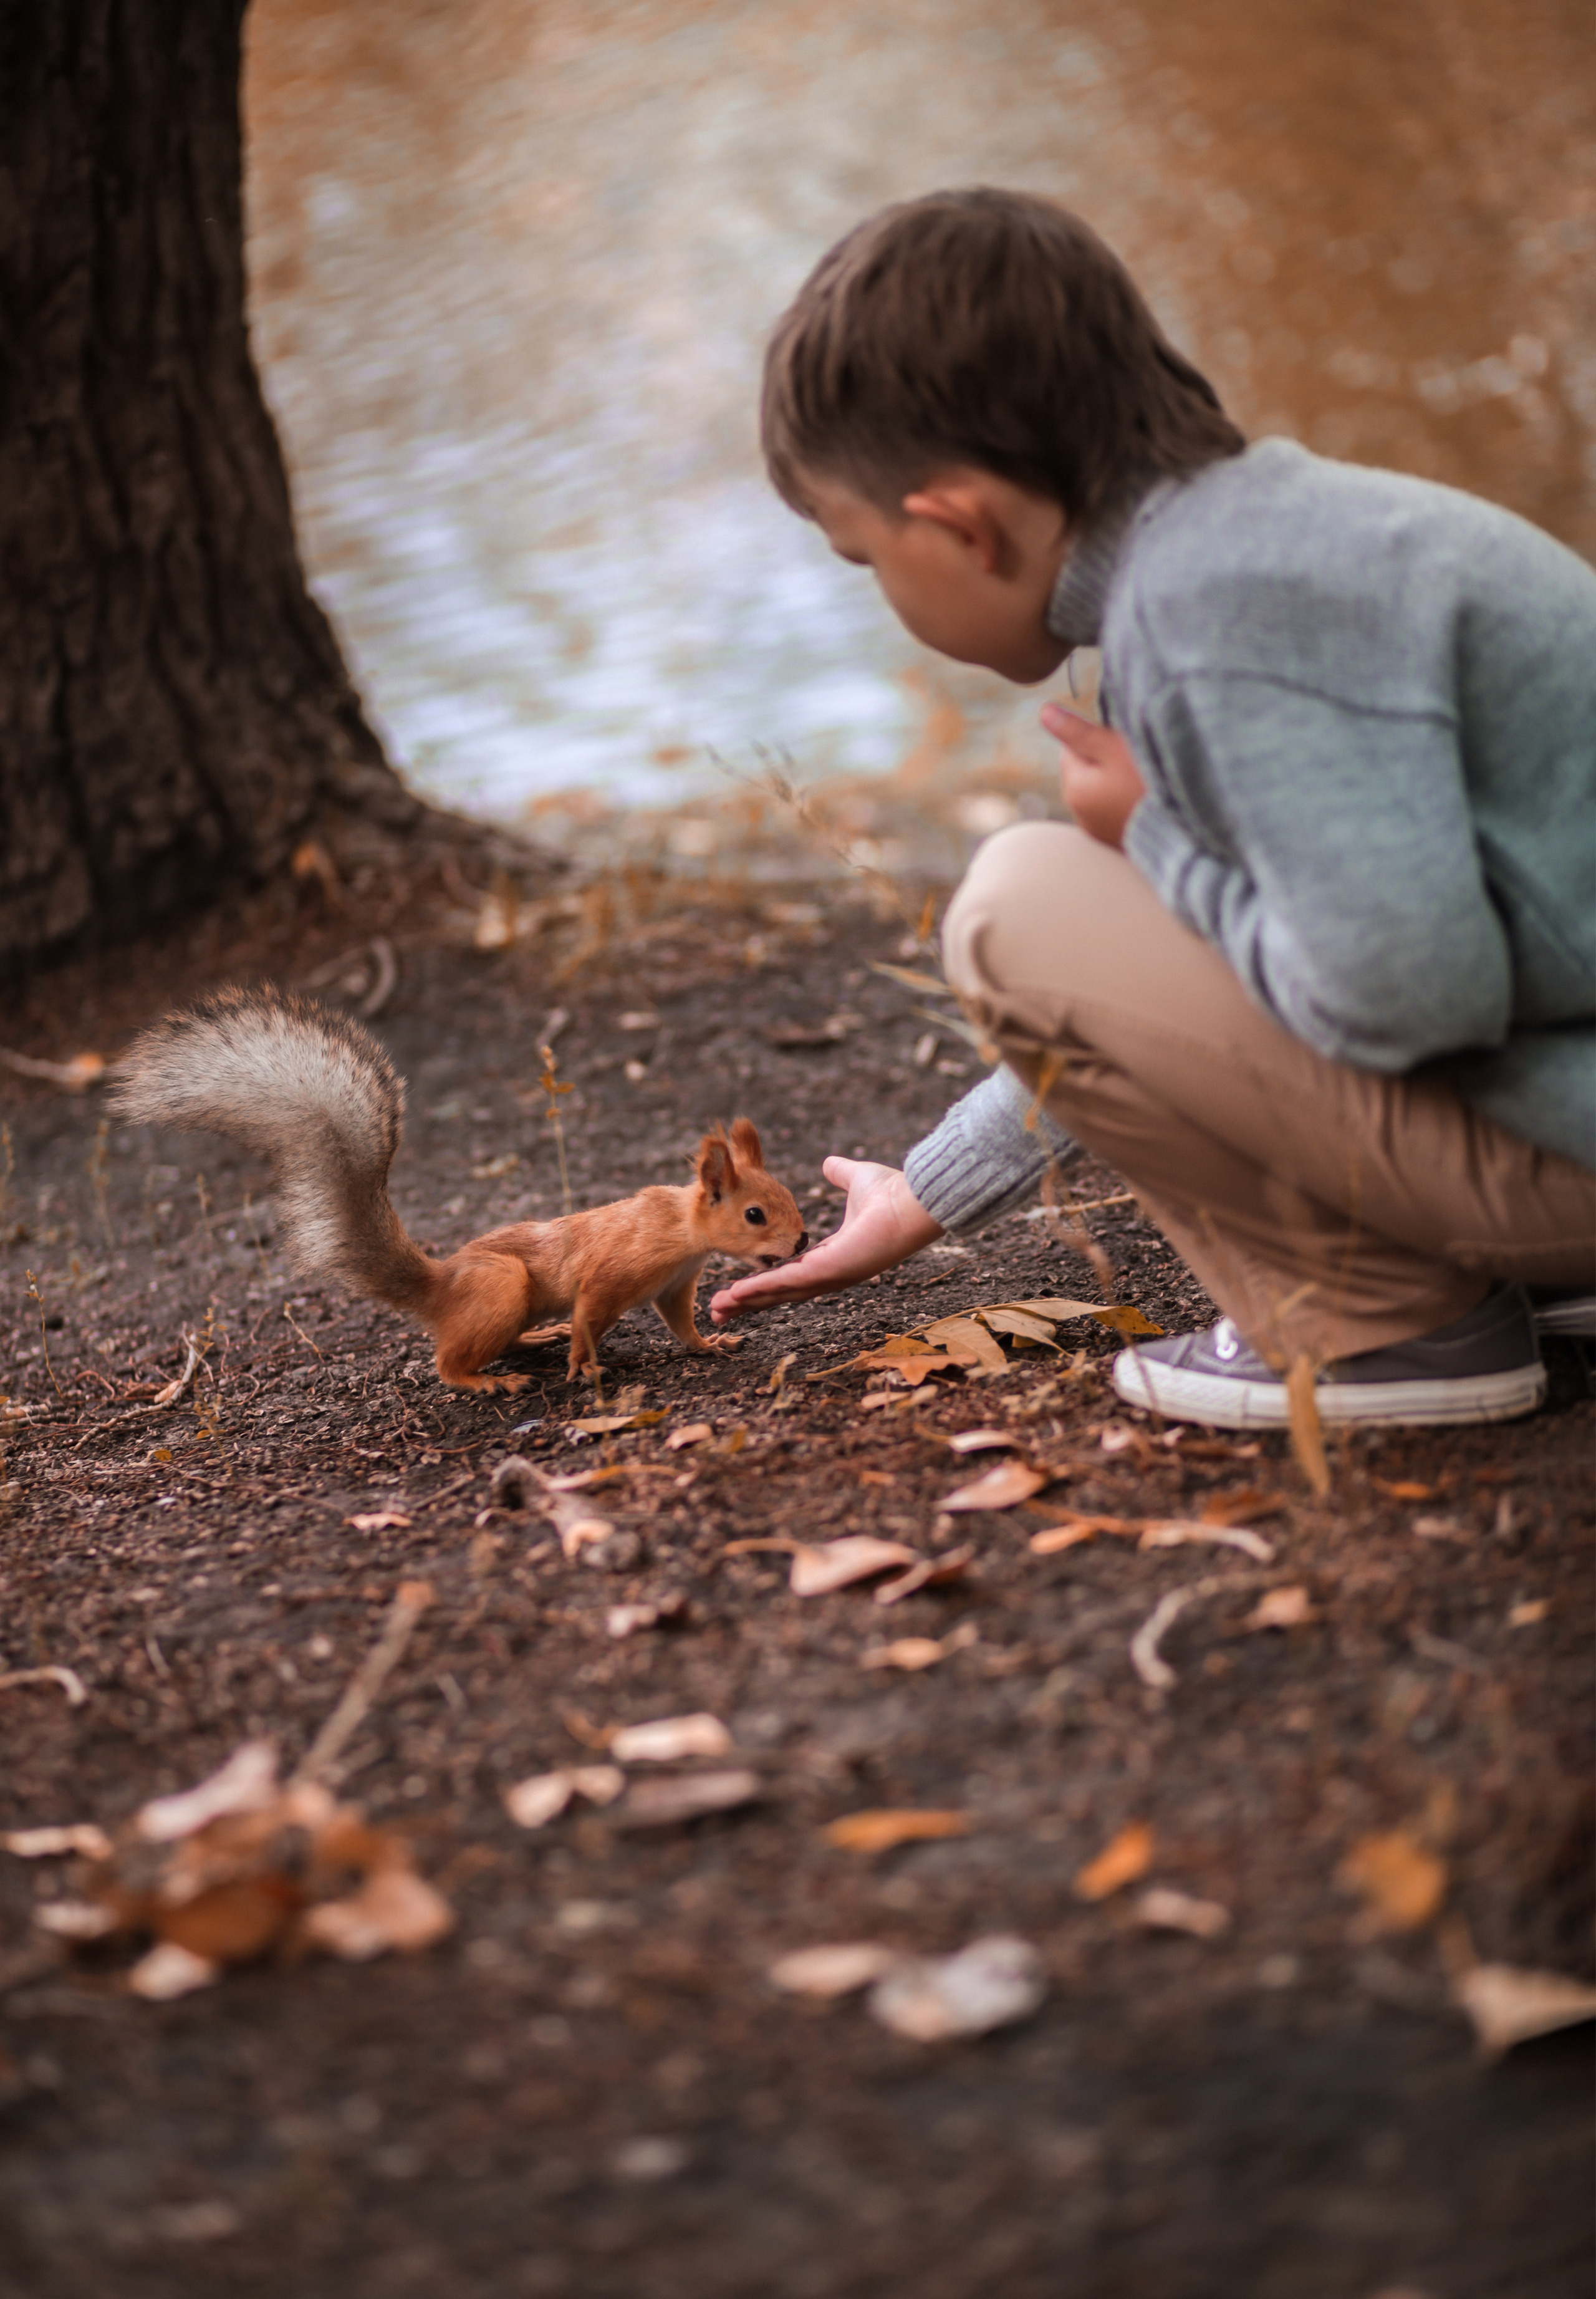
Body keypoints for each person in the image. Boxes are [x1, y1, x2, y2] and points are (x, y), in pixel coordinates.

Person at [709, 186, 1596, 1429]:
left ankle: (1390, 1329)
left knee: (1015, 902)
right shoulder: (1260, 539)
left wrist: (1159, 842)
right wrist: (928, 1187)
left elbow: (1408, 990)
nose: (879, 593)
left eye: (865, 559)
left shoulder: (1211, 616)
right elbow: (1181, 986)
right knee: (1085, 898)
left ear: (957, 523)